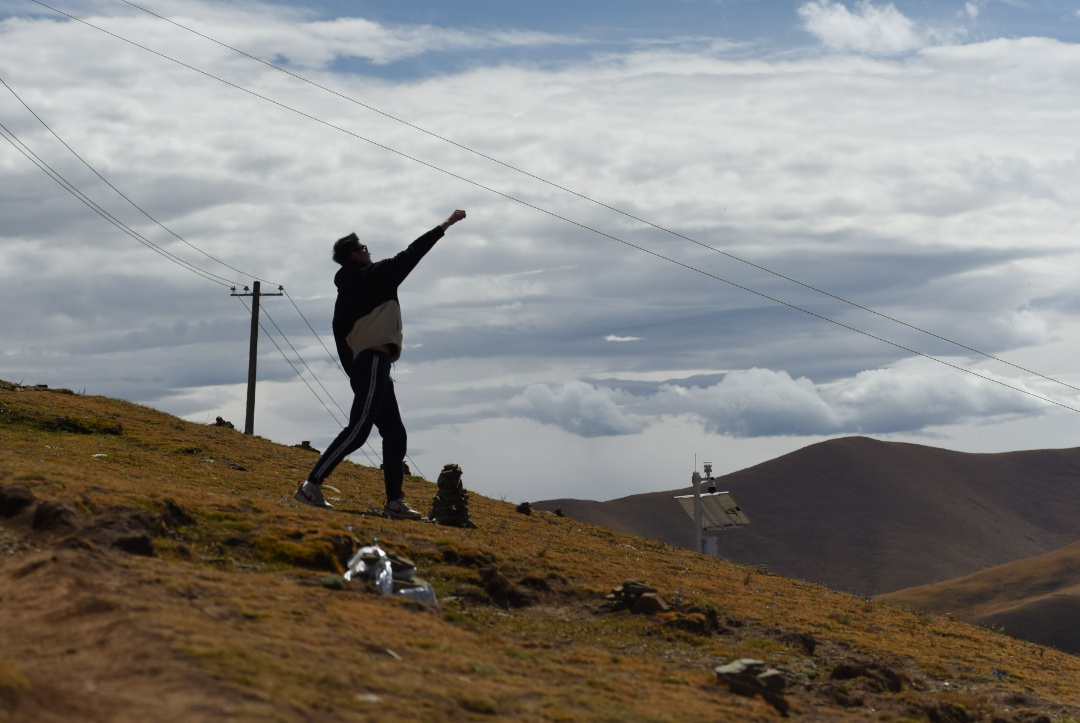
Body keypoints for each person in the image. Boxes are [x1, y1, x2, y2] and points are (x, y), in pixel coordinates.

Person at [294, 209, 467, 518]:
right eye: (363, 248)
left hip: (372, 367)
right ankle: (310, 485)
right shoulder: (374, 277)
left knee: (395, 434)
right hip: (374, 363)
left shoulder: (347, 291)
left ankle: (394, 503)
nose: (368, 251)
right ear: (353, 256)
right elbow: (412, 254)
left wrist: (355, 374)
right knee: (359, 429)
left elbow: (339, 336)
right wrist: (445, 225)